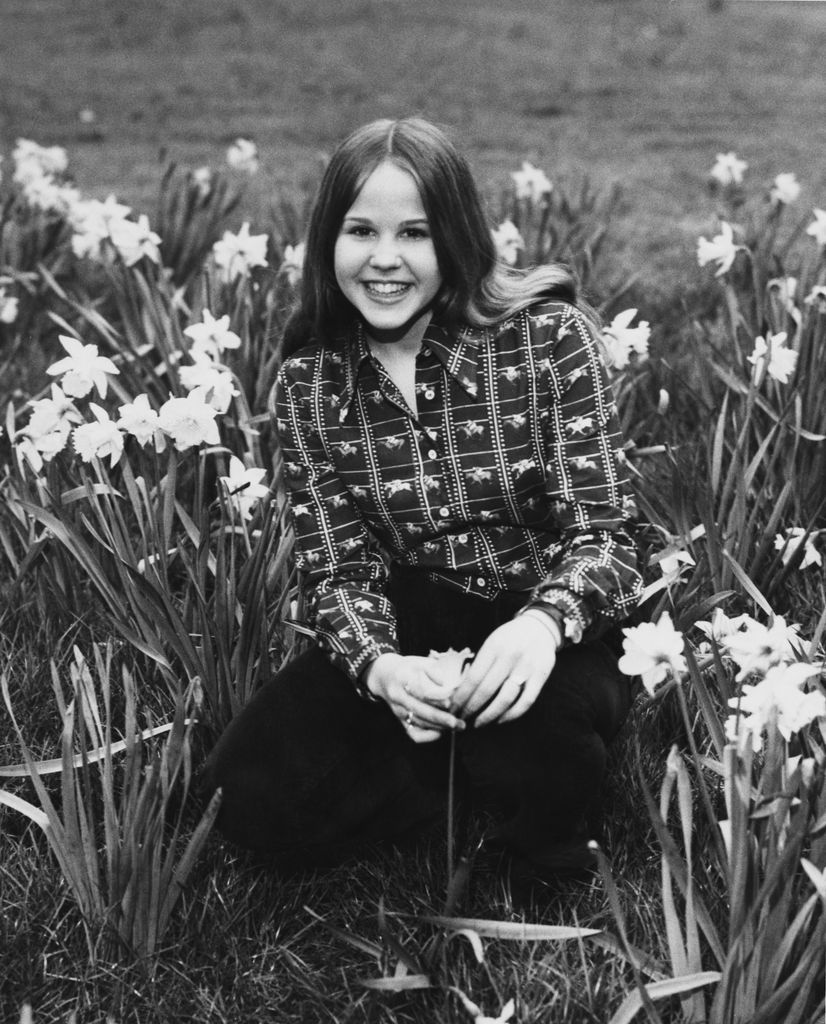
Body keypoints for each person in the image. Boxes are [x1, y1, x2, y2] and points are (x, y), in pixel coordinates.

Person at [201, 117, 642, 896]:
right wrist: (382, 669)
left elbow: (605, 537)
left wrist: (541, 627)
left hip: (552, 622)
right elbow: (336, 572)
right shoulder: (311, 388)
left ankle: (508, 785)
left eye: (414, 233)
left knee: (535, 748)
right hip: (418, 622)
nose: (383, 259)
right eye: (360, 230)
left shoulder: (547, 341)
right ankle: (443, 748)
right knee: (244, 800)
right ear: (326, 242)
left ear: (457, 239)